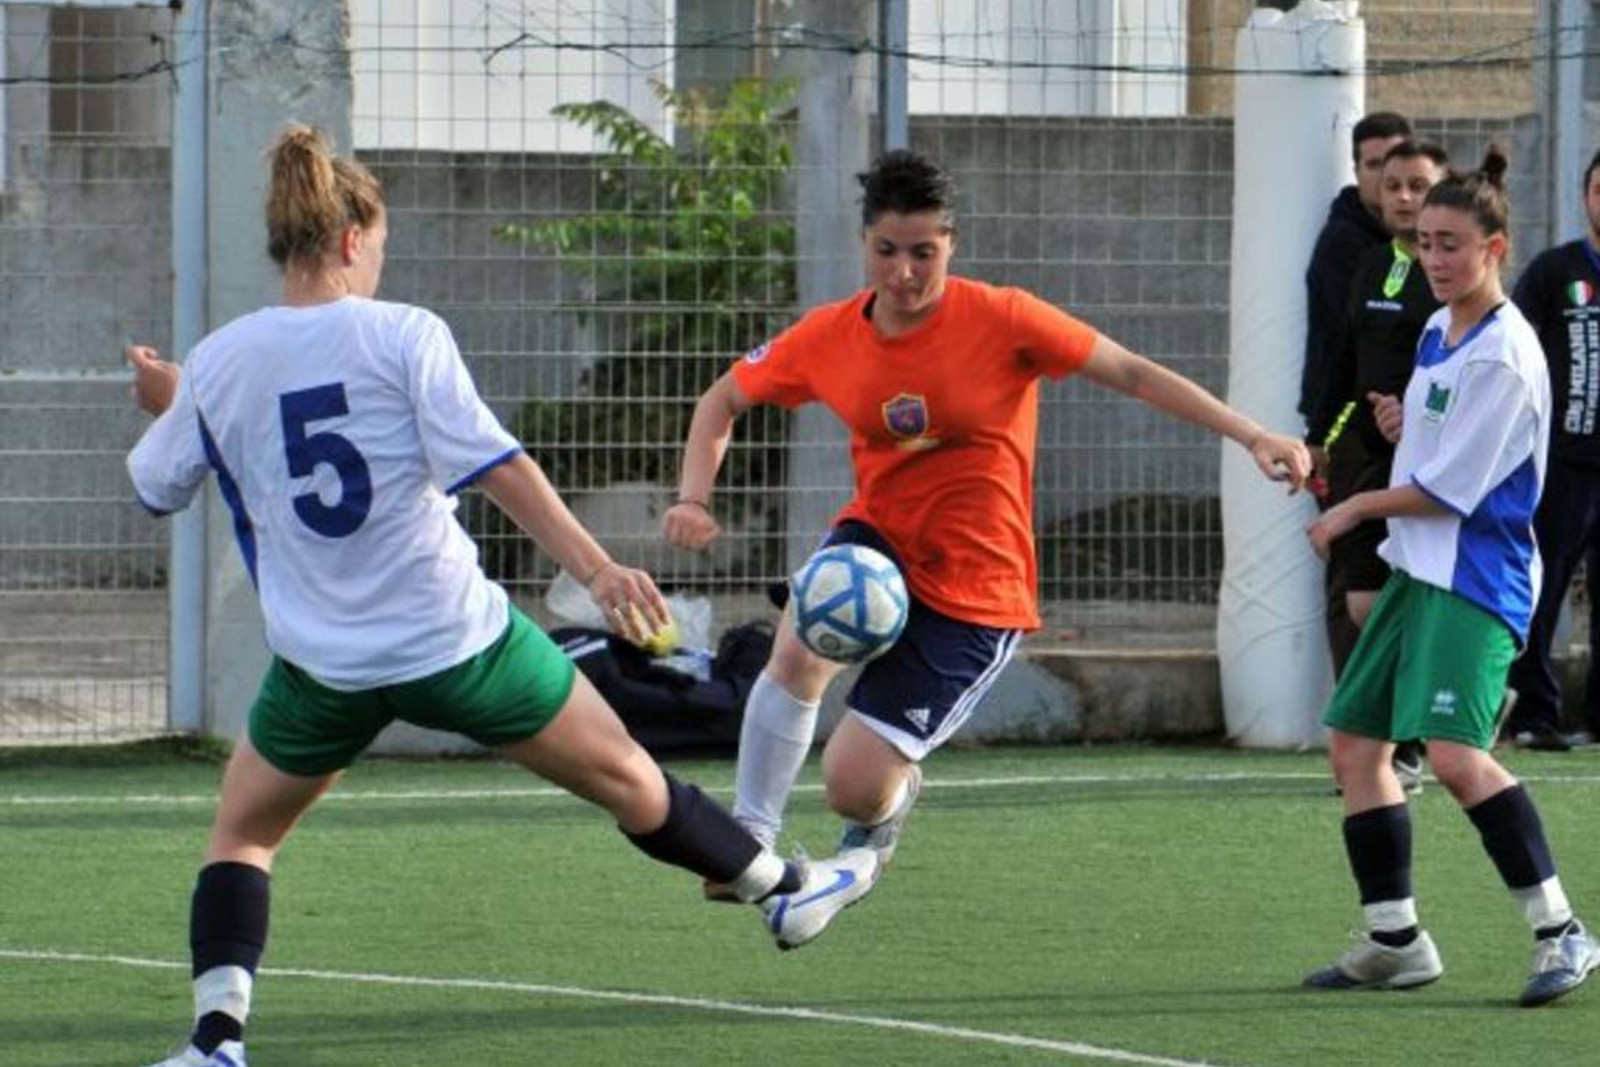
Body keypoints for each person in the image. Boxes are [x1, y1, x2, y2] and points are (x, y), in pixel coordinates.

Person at [128, 126, 876, 1067]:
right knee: (630, 780)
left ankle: (216, 1042)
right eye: (380, 244)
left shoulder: (219, 362)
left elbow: (157, 485)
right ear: (353, 238)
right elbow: (496, 465)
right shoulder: (403, 333)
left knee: (242, 837)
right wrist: (598, 571)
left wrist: (177, 398)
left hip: (326, 669)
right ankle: (780, 889)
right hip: (459, 644)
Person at [661, 149, 1311, 905]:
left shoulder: (1003, 317)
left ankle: (883, 815)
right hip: (878, 542)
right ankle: (749, 840)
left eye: (924, 253)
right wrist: (693, 499)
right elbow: (721, 401)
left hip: (978, 585)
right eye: (886, 251)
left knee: (851, 785)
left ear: (952, 244)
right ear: (864, 241)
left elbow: (1133, 372)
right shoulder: (828, 335)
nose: (904, 273)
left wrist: (1252, 434)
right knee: (795, 646)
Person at [1304, 147, 1599, 1006]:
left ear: (1494, 249)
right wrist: (1402, 422)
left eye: (1451, 245)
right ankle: (1395, 938)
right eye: (1424, 243)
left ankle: (1562, 929)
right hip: (1417, 567)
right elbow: (1435, 444)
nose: (1433, 259)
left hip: (1476, 576)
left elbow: (1450, 491)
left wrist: (1352, 509)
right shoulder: (1439, 329)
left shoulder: (1504, 353)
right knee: (1356, 746)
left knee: (1458, 757)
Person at [1304, 112, 1413, 683]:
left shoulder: (1433, 258)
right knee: (1355, 579)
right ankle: (1360, 717)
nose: (1399, 192)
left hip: (1418, 439)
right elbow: (1342, 355)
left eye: (1413, 181)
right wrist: (1321, 436)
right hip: (1357, 436)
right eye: (1380, 172)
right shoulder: (1350, 250)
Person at [1502, 147, 1600, 751]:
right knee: (1543, 586)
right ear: (1585, 197)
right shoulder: (1555, 270)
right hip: (1565, 461)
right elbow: (1513, 344)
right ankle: (1534, 714)